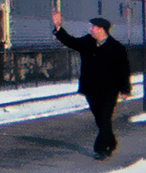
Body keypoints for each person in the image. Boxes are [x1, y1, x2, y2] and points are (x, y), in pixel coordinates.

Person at [51, 12, 131, 159]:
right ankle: (111, 143)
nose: (91, 29)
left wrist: (125, 88)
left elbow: (123, 70)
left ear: (102, 29)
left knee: (105, 118)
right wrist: (58, 27)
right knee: (100, 119)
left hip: (109, 90)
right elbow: (71, 42)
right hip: (91, 89)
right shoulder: (88, 42)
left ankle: (101, 149)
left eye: (94, 27)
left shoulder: (116, 48)